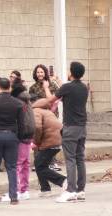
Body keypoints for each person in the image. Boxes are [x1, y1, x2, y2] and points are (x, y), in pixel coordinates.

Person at [48, 62, 88, 203]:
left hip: (70, 127)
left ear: (71, 72)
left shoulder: (67, 87)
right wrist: (58, 81)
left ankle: (71, 190)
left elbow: (52, 99)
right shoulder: (84, 87)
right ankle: (81, 190)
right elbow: (68, 89)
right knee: (79, 159)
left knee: (70, 159)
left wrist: (48, 87)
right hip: (82, 127)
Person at [0, 78, 24, 205]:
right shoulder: (18, 103)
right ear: (9, 88)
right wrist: (19, 138)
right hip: (11, 135)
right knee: (12, 167)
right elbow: (21, 124)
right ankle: (13, 197)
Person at [32, 98, 66, 197]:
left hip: (49, 143)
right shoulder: (48, 112)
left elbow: (37, 127)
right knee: (40, 164)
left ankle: (63, 181)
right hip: (57, 142)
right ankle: (45, 189)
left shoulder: (36, 111)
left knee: (40, 166)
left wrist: (36, 141)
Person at [29, 64, 61, 172]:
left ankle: (53, 162)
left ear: (45, 73)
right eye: (38, 72)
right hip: (38, 116)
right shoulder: (32, 88)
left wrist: (47, 88)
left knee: (50, 139)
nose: (40, 74)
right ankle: (38, 162)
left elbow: (55, 99)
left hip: (51, 115)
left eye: (41, 72)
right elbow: (32, 103)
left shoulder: (52, 85)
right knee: (38, 137)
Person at [8, 76, 35, 201]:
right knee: (25, 163)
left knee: (19, 163)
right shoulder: (27, 99)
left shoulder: (17, 101)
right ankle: (24, 189)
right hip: (29, 133)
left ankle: (19, 190)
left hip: (21, 133)